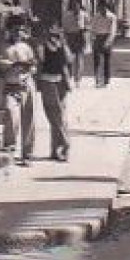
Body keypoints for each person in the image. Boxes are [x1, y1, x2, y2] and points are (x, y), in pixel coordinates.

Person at [0, 23, 38, 164]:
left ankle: (28, 153)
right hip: (11, 85)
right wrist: (12, 66)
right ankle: (9, 149)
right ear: (9, 31)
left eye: (20, 31)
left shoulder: (26, 47)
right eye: (15, 30)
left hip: (26, 84)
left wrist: (29, 67)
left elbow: (34, 65)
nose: (18, 33)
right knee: (11, 116)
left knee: (29, 118)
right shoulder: (3, 47)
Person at [36, 27, 73, 161]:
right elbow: (40, 62)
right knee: (55, 116)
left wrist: (63, 45)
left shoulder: (62, 47)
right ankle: (57, 148)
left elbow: (69, 61)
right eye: (53, 34)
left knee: (59, 116)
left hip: (60, 83)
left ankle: (64, 144)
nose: (55, 37)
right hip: (48, 81)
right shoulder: (42, 47)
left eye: (58, 35)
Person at [89, 0, 118, 87]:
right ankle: (97, 79)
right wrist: (93, 40)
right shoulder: (96, 16)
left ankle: (106, 79)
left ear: (105, 7)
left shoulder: (112, 17)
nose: (101, 9)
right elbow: (92, 29)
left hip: (107, 37)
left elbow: (113, 31)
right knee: (96, 60)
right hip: (98, 38)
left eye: (102, 7)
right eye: (100, 7)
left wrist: (108, 42)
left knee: (106, 60)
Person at [65, 0, 90, 86]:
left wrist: (86, 40)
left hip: (80, 36)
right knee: (69, 58)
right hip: (70, 37)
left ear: (80, 6)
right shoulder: (67, 16)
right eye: (74, 6)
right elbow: (65, 29)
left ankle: (78, 80)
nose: (76, 8)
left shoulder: (84, 15)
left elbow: (88, 28)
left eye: (77, 6)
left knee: (79, 59)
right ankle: (69, 77)